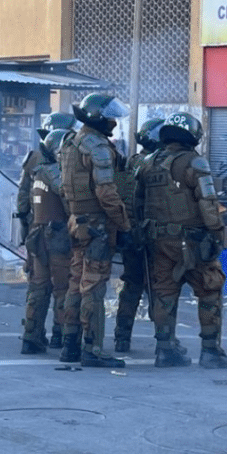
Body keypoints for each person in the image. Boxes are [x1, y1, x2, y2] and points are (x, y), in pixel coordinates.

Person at [135, 112, 227, 368]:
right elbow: (208, 202)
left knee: (165, 293)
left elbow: (137, 202)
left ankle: (165, 350)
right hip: (192, 240)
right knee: (210, 289)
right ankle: (210, 351)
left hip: (158, 242)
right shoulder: (194, 162)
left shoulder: (148, 163)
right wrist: (216, 233)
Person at [59, 93, 132, 368]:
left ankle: (70, 345)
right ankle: (94, 348)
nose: (114, 122)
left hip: (77, 222)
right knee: (93, 286)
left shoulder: (71, 143)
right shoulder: (98, 147)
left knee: (76, 283)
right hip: (98, 227)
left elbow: (65, 189)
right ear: (97, 118)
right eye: (110, 117)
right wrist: (123, 223)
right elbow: (106, 192)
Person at [16, 112, 76, 353]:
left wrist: (26, 226)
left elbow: (23, 199)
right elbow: (69, 202)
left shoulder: (34, 162)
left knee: (38, 287)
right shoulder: (56, 169)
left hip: (36, 233)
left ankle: (31, 335)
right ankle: (60, 335)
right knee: (62, 287)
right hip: (58, 234)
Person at [112, 117, 163, 353]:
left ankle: (122, 337)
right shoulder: (154, 166)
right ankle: (165, 341)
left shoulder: (132, 162)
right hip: (149, 236)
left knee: (132, 287)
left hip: (131, 235)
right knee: (160, 288)